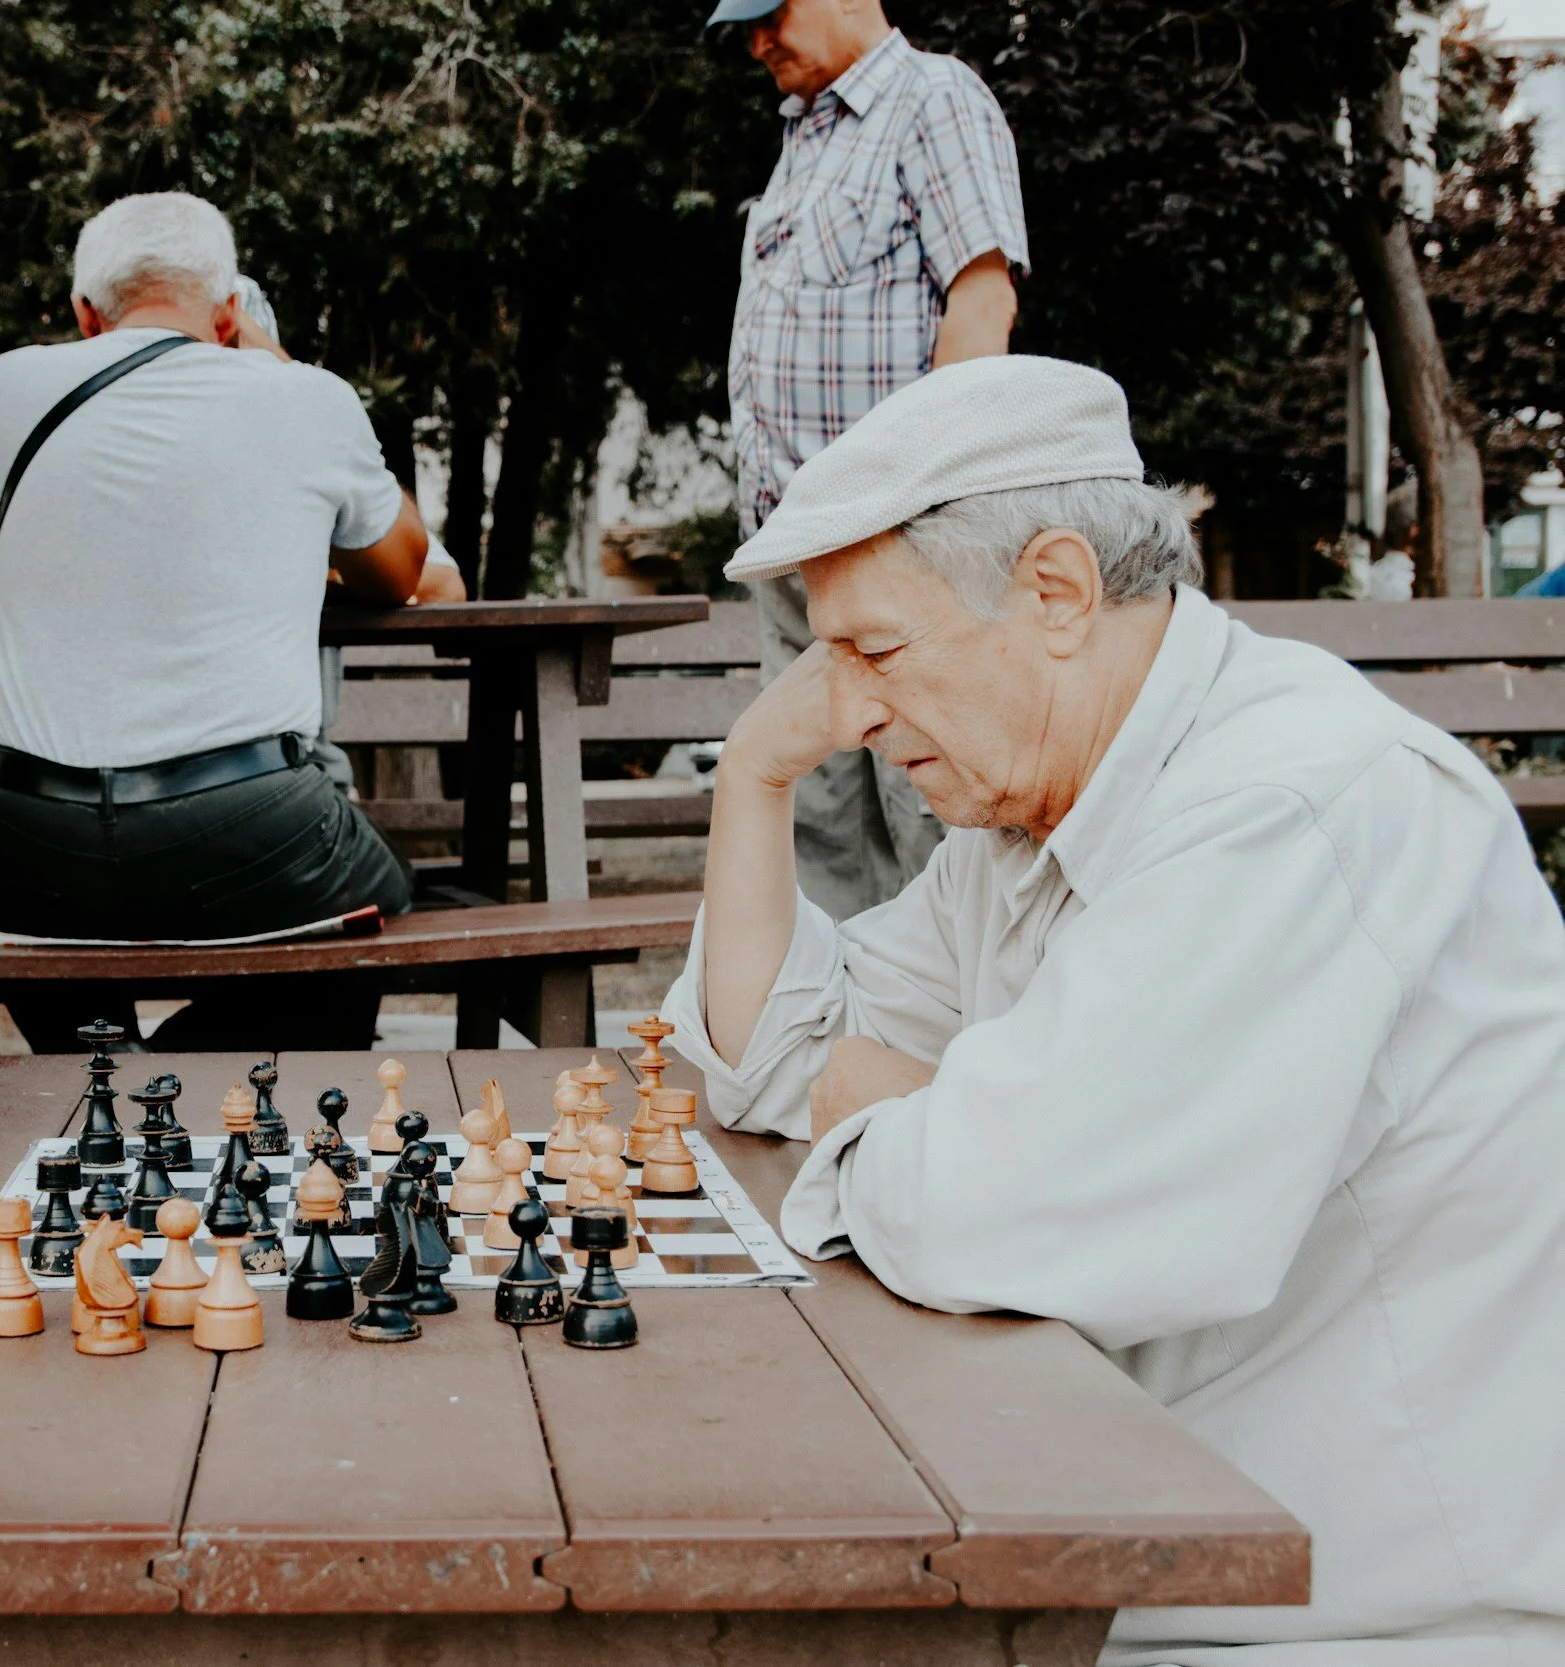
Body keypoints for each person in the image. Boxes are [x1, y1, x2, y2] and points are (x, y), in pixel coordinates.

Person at [663, 355, 1565, 1663]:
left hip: (1361, 1610)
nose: (848, 709)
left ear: (1057, 592)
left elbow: (994, 1212)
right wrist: (752, 773)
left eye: (876, 648)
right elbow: (776, 1069)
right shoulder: (1031, 815)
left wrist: (902, 1106)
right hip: (1139, 1541)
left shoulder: (1288, 806)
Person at [0, 191, 430, 1053]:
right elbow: (398, 571)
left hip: (24, 841)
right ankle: (174, 1071)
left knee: (27, 899)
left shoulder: (4, 386)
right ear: (228, 314)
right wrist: (278, 362)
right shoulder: (303, 396)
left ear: (83, 314)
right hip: (248, 825)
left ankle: (96, 1058)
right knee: (375, 908)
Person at [706, 0, 1027, 919]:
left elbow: (981, 303)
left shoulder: (935, 100)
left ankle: (951, 1050)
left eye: (771, 14)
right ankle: (842, 1045)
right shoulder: (804, 136)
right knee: (817, 818)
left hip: (893, 539)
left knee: (927, 808)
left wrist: (921, 509)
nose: (756, 40)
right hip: (790, 547)